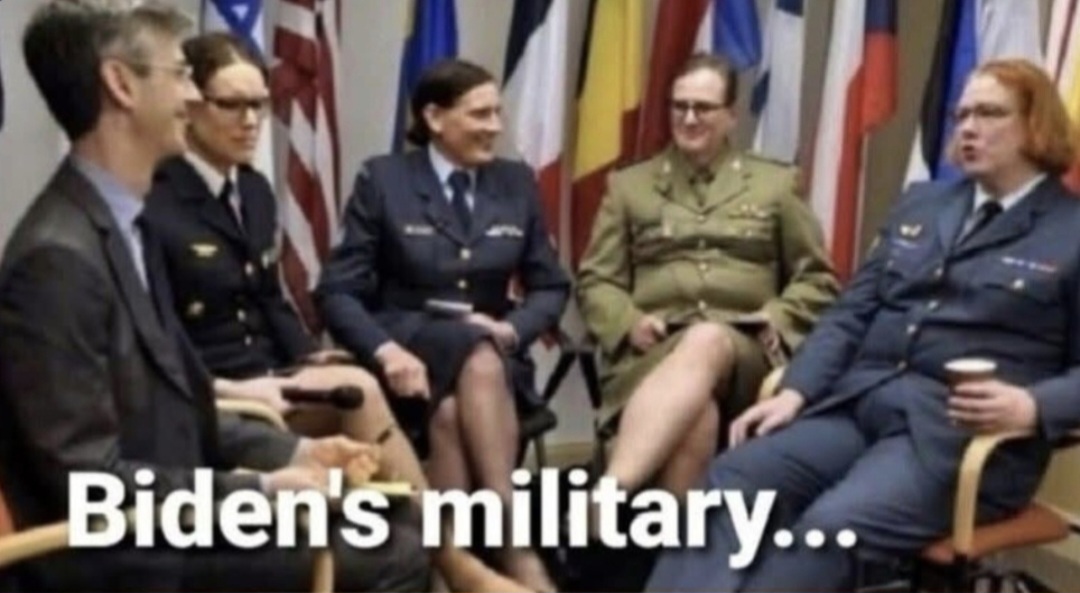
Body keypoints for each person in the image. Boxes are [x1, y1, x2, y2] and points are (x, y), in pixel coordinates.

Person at [0, 2, 427, 591]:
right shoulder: (57, 260)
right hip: (116, 551)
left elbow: (182, 410)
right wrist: (257, 490)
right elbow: (87, 481)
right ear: (121, 85)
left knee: (393, 516)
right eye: (180, 75)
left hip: (171, 515)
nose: (191, 96)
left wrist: (295, 452)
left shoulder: (124, 225)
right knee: (391, 553)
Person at [646, 58, 1080, 591]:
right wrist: (798, 390)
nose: (968, 128)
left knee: (829, 531)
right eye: (961, 115)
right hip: (857, 407)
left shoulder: (1070, 230)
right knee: (733, 481)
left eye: (989, 114)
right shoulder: (924, 204)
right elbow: (853, 311)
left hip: (952, 439)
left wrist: (1033, 407)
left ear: (1036, 124)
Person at [143, 32, 519, 593]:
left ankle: (429, 561)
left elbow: (269, 297)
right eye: (232, 105)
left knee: (401, 396)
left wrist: (308, 357)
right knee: (360, 389)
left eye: (260, 104)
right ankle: (457, 565)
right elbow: (157, 332)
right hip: (216, 392)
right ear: (192, 107)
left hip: (274, 377)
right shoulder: (157, 198)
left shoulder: (253, 190)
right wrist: (232, 387)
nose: (250, 121)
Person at [317, 58, 570, 592]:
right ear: (434, 117)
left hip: (494, 368)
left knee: (456, 407)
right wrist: (384, 351)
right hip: (408, 358)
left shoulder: (515, 182)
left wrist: (514, 329)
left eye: (497, 113)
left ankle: (444, 571)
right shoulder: (384, 180)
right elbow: (337, 292)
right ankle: (513, 547)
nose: (495, 126)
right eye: (479, 114)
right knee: (473, 349)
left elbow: (551, 286)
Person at [576, 52, 838, 502]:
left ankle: (608, 494)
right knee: (697, 418)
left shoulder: (775, 184)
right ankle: (676, 544)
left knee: (708, 338)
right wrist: (626, 321)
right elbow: (596, 280)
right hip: (654, 354)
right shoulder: (630, 186)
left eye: (703, 108)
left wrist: (780, 316)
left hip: (746, 355)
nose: (689, 118)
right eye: (679, 106)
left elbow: (818, 278)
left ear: (731, 116)